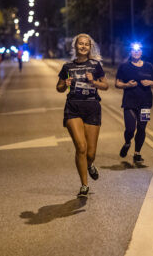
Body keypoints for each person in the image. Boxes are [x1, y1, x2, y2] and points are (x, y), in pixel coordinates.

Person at [56, 33, 109, 197]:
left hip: (92, 107)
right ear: (75, 46)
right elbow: (59, 88)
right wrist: (65, 84)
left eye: (86, 44)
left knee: (91, 153)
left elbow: (106, 86)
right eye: (80, 44)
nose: (83, 46)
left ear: (90, 47)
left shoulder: (95, 65)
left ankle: (90, 164)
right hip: (73, 108)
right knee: (81, 147)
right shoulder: (67, 67)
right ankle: (84, 185)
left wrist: (93, 82)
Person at [115, 42, 153, 164]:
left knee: (142, 128)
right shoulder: (124, 66)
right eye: (134, 50)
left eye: (138, 50)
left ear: (142, 52)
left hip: (145, 102)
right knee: (130, 128)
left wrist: (150, 82)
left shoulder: (148, 66)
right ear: (130, 52)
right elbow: (117, 84)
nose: (136, 52)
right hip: (129, 101)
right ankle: (127, 142)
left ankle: (137, 153)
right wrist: (127, 85)